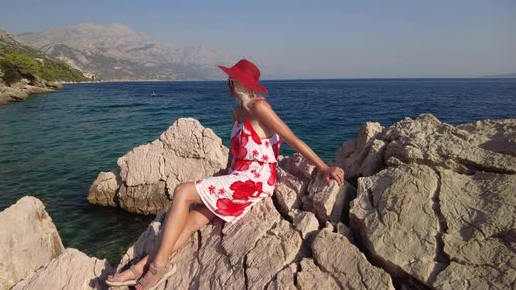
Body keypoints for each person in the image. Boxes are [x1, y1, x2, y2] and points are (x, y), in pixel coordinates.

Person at [106, 59, 345, 289]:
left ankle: (158, 267)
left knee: (182, 191)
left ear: (243, 84)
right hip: (235, 176)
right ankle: (143, 267)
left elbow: (292, 138)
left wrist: (323, 167)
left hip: (254, 180)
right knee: (190, 221)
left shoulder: (260, 108)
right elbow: (234, 150)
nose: (227, 85)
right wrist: (223, 172)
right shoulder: (237, 111)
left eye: (231, 81)